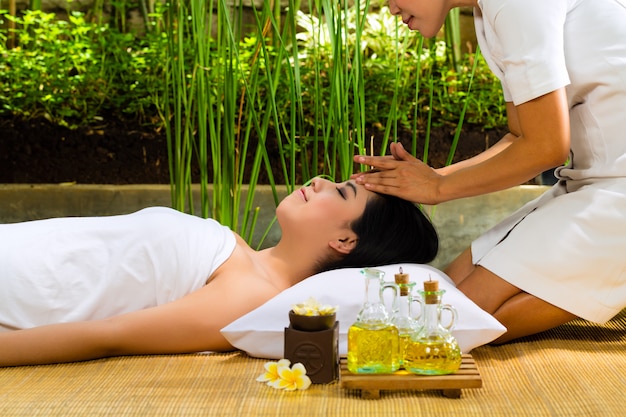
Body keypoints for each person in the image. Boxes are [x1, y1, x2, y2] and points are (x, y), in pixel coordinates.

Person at [352, 0, 626, 343]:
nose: (391, 7)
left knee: (456, 322)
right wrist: (435, 178)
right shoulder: (490, 14)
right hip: (591, 183)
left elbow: (547, 147)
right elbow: (520, 137)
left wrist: (438, 189)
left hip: (617, 189)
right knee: (445, 289)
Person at [0, 178, 438, 366]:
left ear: (345, 242)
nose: (322, 181)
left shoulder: (247, 296)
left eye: (341, 192)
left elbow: (109, 335)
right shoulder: (242, 253)